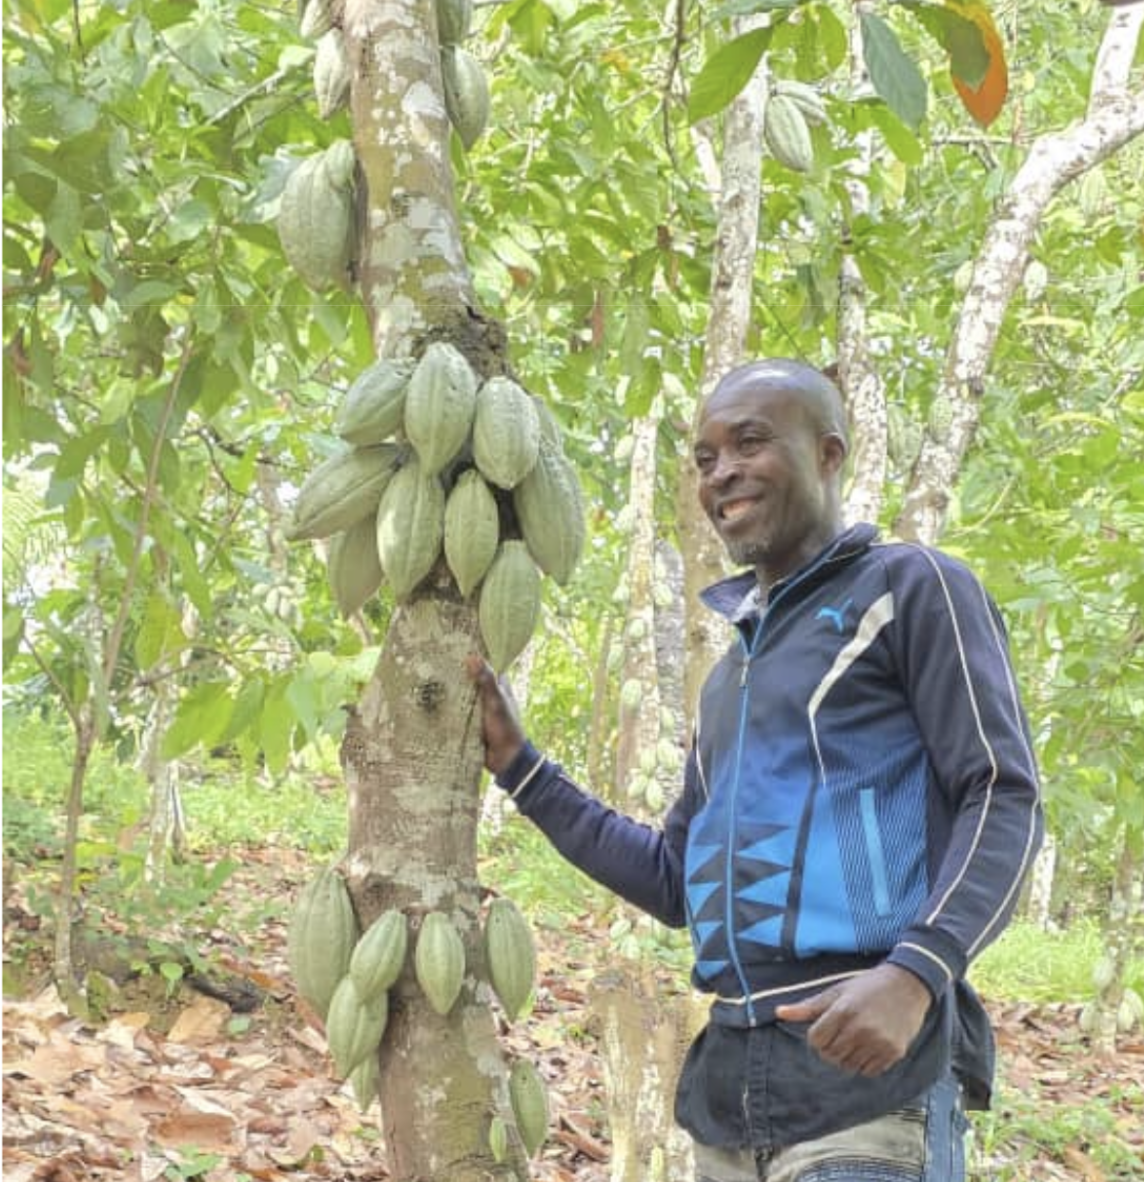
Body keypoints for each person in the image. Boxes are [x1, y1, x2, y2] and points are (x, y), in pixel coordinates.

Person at [466, 358, 1043, 1182]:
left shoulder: (910, 588)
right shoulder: (728, 676)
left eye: (750, 443)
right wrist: (522, 770)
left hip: (868, 1087)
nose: (722, 472)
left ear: (830, 453)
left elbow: (1004, 794)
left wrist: (917, 974)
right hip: (731, 1098)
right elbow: (674, 881)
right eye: (704, 458)